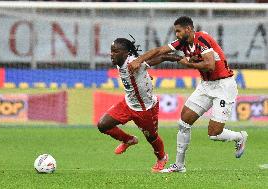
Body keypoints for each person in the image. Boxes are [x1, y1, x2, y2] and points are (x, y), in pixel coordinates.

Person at [128, 16, 248, 173]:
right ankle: (179, 165)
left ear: (188, 29)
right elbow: (159, 50)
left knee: (214, 134)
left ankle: (239, 137)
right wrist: (139, 60)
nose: (176, 34)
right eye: (175, 31)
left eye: (178, 31)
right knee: (183, 122)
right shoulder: (183, 43)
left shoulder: (202, 39)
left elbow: (210, 65)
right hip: (206, 86)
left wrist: (188, 63)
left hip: (223, 86)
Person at [97, 37, 181, 172]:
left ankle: (162, 157)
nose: (112, 54)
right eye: (111, 51)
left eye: (115, 51)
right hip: (128, 104)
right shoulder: (121, 61)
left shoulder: (133, 63)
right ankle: (128, 140)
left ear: (126, 53)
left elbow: (160, 58)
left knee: (152, 138)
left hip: (146, 109)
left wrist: (178, 59)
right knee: (102, 125)